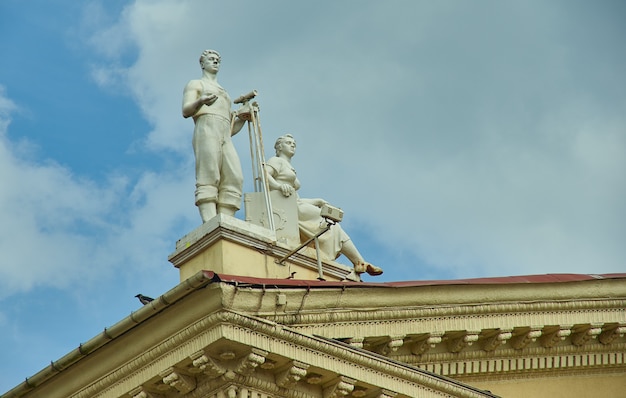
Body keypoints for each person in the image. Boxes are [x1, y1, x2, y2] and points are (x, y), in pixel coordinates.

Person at [265, 134, 383, 276]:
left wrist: (318, 201)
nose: (292, 145)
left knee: (333, 226)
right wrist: (278, 186)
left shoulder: (289, 166)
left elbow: (297, 199)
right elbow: (264, 174)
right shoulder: (276, 161)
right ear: (279, 147)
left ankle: (359, 262)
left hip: (295, 204)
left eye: (294, 143)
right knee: (330, 224)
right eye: (288, 143)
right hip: (288, 208)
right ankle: (359, 261)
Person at [182, 49, 249, 222]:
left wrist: (242, 117)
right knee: (209, 172)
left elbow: (230, 129)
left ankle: (225, 219)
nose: (215, 61)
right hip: (206, 127)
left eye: (217, 59)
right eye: (211, 59)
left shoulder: (224, 92)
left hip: (224, 132)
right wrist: (200, 101)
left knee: (234, 175)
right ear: (202, 63)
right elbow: (186, 110)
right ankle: (210, 219)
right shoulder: (196, 84)